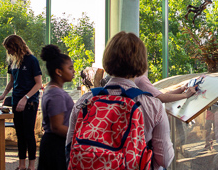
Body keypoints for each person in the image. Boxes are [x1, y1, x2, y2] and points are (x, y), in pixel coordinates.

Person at [66, 32, 174, 169]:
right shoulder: (152, 105)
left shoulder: (84, 102)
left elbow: (69, 148)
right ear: (142, 63)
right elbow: (165, 159)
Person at [0, 35, 43, 170]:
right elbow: (11, 81)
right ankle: (21, 165)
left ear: (16, 46)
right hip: (16, 100)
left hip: (29, 101)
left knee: (28, 133)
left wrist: (25, 98)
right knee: (20, 134)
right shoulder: (12, 61)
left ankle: (31, 166)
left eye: (9, 48)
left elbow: (38, 84)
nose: (8, 52)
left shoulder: (31, 60)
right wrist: (3, 95)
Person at [38, 45, 74, 170]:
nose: (73, 71)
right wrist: (79, 135)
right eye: (70, 68)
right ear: (58, 72)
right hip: (55, 145)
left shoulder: (52, 90)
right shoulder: (56, 94)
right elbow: (57, 127)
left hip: (55, 143)